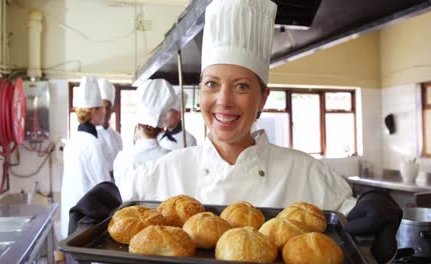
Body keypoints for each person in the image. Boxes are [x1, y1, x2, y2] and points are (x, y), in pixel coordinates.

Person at [71, 0, 402, 262]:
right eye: (211, 84)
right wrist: (99, 209)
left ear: (263, 98)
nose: (223, 102)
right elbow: (118, 236)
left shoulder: (306, 172)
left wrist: (374, 206)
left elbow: (351, 222)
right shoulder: (161, 174)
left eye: (241, 86)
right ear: (199, 91)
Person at [60, 76, 112, 239]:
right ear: (93, 111)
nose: (105, 112)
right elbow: (103, 187)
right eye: (101, 108)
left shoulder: (73, 140)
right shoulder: (92, 144)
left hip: (72, 219)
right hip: (86, 220)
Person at [113, 79, 175, 190]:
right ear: (161, 128)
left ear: (138, 126)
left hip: (128, 208)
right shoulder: (171, 158)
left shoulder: (123, 159)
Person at [96, 78, 123, 178]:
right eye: (102, 107)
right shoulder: (91, 137)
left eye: (108, 107)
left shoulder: (117, 137)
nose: (106, 111)